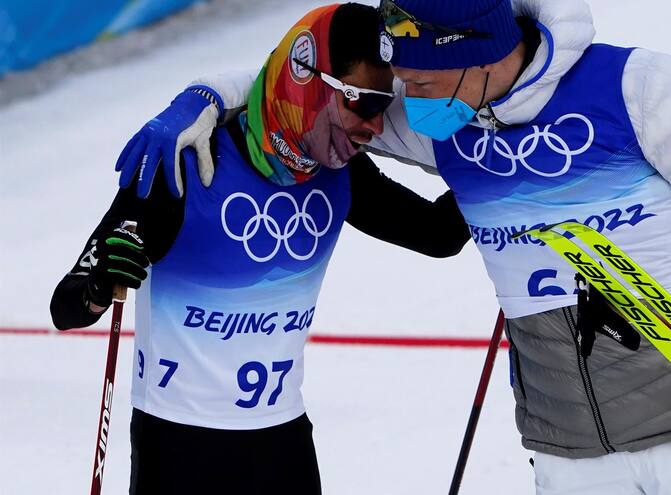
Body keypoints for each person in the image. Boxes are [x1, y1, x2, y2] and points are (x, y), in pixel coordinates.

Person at [116, 0, 671, 493]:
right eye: (405, 85)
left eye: (424, 81)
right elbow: (309, 85)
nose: (410, 101)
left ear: (479, 53)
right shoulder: (449, 119)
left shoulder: (640, 89)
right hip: (569, 457)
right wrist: (206, 97)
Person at [50, 4, 470, 494]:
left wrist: (511, 162)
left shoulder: (341, 175)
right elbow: (67, 305)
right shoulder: (189, 164)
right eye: (363, 104)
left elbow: (440, 235)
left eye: (383, 107)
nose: (376, 128)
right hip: (179, 448)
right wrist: (99, 287)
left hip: (282, 443)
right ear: (309, 84)